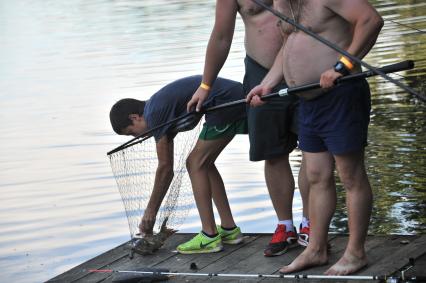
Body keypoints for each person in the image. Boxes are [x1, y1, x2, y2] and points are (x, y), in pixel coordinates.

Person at [247, 0, 384, 275]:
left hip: (341, 95)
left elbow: (370, 20)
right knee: (316, 176)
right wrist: (269, 82)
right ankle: (316, 249)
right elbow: (290, 43)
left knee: (350, 177)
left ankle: (356, 253)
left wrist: (342, 66)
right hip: (307, 102)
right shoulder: (282, 3)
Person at [186, 0, 310, 257]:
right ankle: (284, 226)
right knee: (273, 153)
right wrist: (205, 85)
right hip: (259, 74)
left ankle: (310, 223)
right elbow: (221, 36)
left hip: (305, 69)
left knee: (312, 149)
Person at [110, 75, 248, 254]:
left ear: (135, 117)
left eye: (131, 133)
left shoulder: (154, 114)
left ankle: (209, 236)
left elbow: (165, 169)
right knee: (204, 163)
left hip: (225, 102)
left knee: (195, 163)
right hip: (231, 98)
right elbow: (167, 165)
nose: (137, 137)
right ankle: (229, 230)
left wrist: (150, 213)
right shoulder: (157, 109)